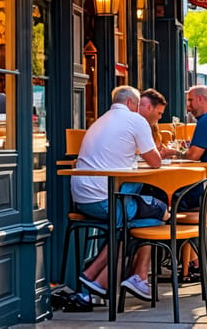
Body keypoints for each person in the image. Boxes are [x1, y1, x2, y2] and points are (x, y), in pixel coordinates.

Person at [71, 86, 167, 302]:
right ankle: (130, 277)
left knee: (130, 221)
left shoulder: (99, 120)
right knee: (158, 215)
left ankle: (96, 283)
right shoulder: (136, 120)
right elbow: (156, 162)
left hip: (81, 199)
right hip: (105, 200)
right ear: (132, 103)